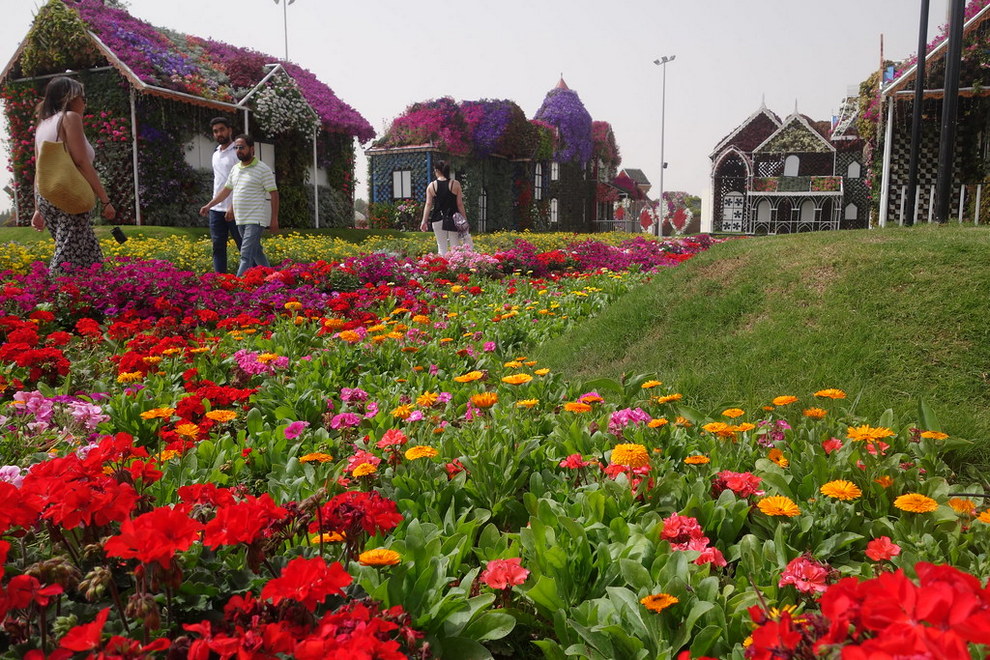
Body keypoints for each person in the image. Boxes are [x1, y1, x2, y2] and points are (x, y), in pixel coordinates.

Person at [30, 76, 115, 272]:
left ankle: (98, 282)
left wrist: (38, 208)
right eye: (82, 98)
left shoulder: (43, 125)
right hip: (70, 192)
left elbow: (40, 168)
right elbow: (81, 161)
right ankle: (55, 288)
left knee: (86, 248)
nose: (84, 103)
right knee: (67, 252)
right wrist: (105, 200)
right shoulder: (70, 118)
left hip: (47, 194)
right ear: (70, 98)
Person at [199, 134, 279, 277]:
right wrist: (209, 205)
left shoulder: (263, 169)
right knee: (256, 252)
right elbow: (226, 191)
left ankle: (237, 285)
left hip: (255, 219)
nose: (238, 151)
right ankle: (273, 278)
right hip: (240, 219)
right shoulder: (235, 169)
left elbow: (274, 194)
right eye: (236, 148)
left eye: (241, 147)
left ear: (252, 149)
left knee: (245, 255)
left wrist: (274, 219)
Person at [207, 117, 241, 273]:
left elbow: (241, 182)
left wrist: (232, 206)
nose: (218, 133)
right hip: (216, 210)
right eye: (215, 131)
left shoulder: (237, 152)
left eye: (221, 129)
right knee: (218, 247)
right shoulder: (216, 154)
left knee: (244, 246)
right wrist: (210, 205)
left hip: (235, 209)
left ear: (229, 130)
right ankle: (220, 280)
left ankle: (256, 279)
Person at [420, 160, 472, 255]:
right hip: (453, 218)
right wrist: (465, 219)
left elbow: (428, 204)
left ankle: (442, 263)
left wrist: (424, 221)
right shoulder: (455, 184)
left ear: (436, 170)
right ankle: (455, 264)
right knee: (455, 247)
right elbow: (460, 204)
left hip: (437, 218)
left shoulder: (431, 186)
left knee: (441, 247)